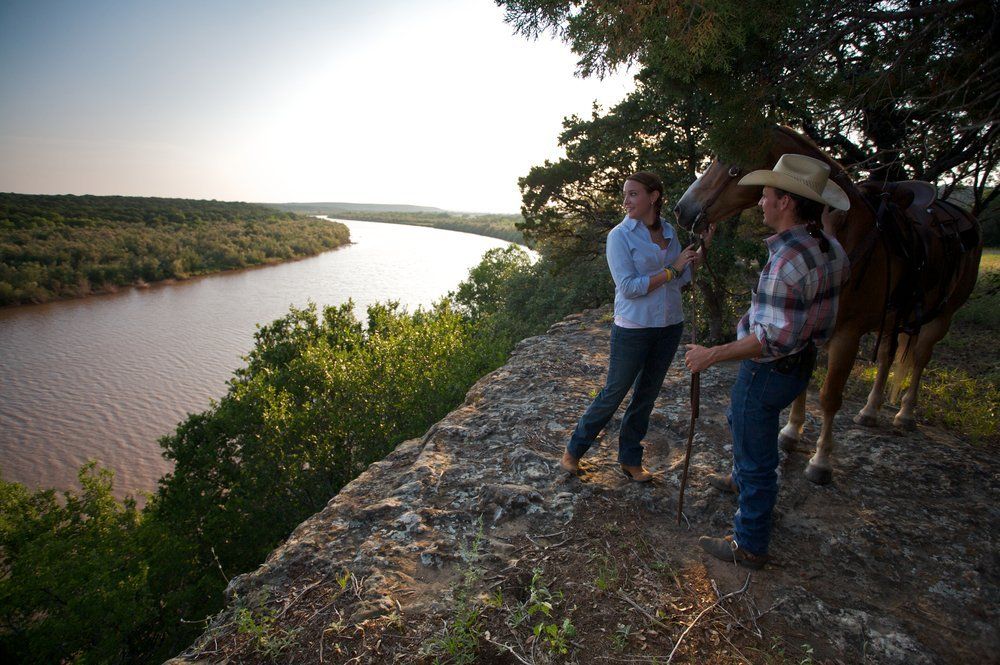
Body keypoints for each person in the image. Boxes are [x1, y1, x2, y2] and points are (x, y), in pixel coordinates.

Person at [684, 153, 850, 569]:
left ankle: (749, 544)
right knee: (741, 421)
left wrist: (710, 355)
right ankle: (739, 478)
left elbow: (770, 339)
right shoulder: (830, 247)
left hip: (769, 369)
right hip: (801, 363)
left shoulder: (787, 260)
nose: (760, 202)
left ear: (786, 202)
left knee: (758, 461)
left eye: (766, 195)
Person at [561, 171, 707, 482]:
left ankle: (630, 459)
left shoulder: (669, 231)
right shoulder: (620, 236)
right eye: (625, 194)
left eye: (633, 194)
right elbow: (628, 287)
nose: (626, 201)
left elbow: (684, 278)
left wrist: (700, 252)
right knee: (614, 392)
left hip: (670, 325)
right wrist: (672, 270)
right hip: (634, 327)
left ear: (653, 197)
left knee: (646, 396)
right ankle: (574, 450)